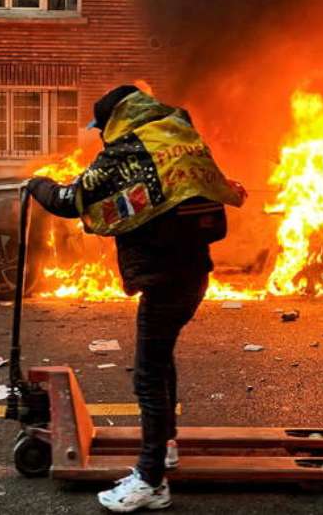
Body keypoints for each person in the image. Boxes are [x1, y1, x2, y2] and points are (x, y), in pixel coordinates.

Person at [27, 85, 246, 513]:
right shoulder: (180, 137)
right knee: (161, 362)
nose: (102, 135)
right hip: (193, 273)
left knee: (147, 375)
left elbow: (72, 200)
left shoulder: (127, 150)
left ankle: (151, 481)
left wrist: (37, 185)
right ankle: (164, 449)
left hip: (164, 276)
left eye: (102, 127)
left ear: (115, 121)